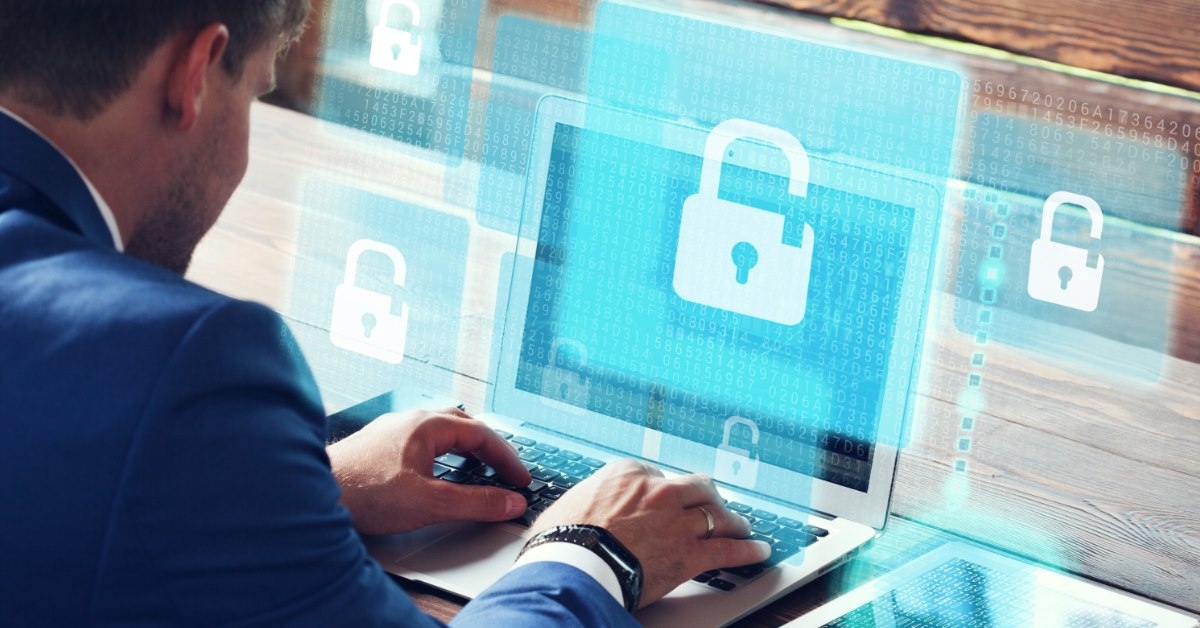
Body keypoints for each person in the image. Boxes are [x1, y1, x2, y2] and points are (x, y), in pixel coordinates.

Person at [0, 2, 770, 625]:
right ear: (196, 73)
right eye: (259, 93)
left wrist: (302, 487)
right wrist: (590, 553)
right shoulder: (184, 362)